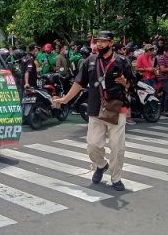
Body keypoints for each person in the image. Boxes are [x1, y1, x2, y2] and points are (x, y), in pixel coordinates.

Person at [54, 31, 135, 191]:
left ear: (111, 43)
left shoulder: (122, 61)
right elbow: (78, 83)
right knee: (92, 145)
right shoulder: (90, 61)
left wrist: (125, 82)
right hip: (95, 108)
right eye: (98, 41)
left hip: (116, 108)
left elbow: (132, 84)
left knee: (117, 147)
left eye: (103, 42)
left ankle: (116, 178)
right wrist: (65, 99)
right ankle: (100, 165)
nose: (99, 44)